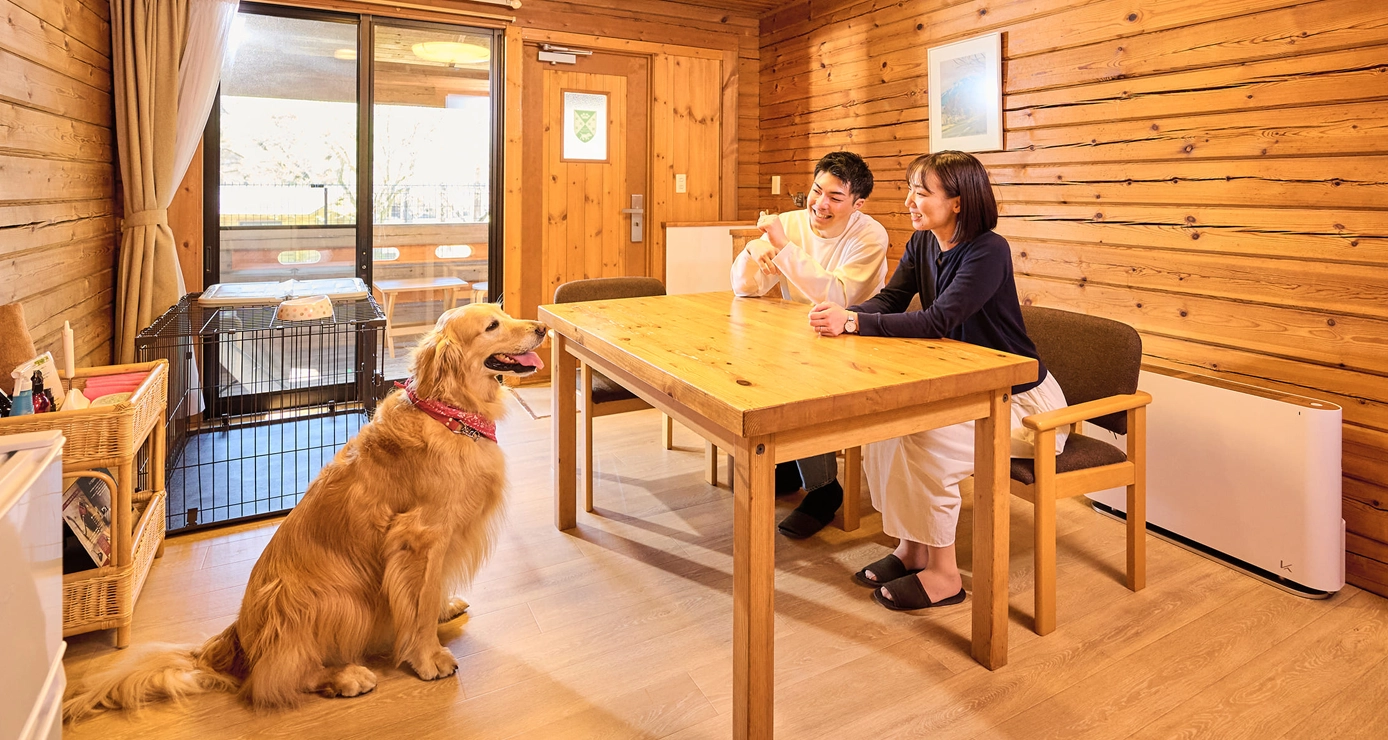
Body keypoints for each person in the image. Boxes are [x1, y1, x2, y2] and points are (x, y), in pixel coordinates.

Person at [806, 150, 1069, 610]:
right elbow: (890, 301)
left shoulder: (988, 250)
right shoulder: (923, 241)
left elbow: (937, 320)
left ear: (959, 201)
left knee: (926, 440)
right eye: (911, 189)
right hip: (969, 388)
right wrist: (845, 313)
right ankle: (911, 550)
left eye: (922, 192)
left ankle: (945, 576)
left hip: (1024, 403)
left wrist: (852, 324)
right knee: (887, 431)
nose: (910, 201)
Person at [732, 150, 889, 538]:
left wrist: (784, 247)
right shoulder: (790, 223)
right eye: (817, 191)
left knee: (803, 379)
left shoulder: (869, 235)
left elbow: (837, 295)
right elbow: (745, 289)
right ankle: (787, 464)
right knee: (748, 362)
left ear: (858, 204)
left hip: (855, 337)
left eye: (835, 198)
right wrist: (753, 252)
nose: (820, 204)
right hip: (799, 335)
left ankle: (824, 488)